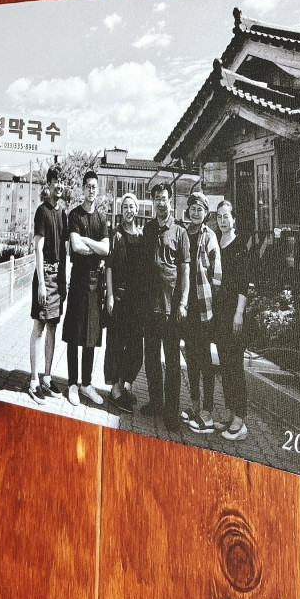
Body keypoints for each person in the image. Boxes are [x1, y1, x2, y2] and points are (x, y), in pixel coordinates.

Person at [141, 182, 190, 432]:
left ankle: (171, 412)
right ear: (153, 202)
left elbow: (185, 271)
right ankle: (156, 402)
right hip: (150, 307)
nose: (161, 202)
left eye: (164, 198)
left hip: (171, 309)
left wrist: (183, 302)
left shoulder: (180, 232)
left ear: (170, 201)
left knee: (172, 362)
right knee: (151, 357)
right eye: (157, 198)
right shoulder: (148, 229)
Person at [61, 170, 109, 406]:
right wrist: (94, 246)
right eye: (88, 186)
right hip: (78, 279)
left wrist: (88, 241)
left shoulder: (101, 218)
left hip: (96, 283)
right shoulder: (74, 215)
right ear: (82, 188)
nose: (91, 190)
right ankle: (72, 383)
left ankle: (86, 384)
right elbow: (75, 246)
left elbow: (106, 249)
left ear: (97, 190)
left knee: (91, 335)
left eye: (94, 187)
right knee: (74, 334)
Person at [213, 198, 254, 441]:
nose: (223, 221)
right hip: (218, 313)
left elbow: (243, 284)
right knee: (225, 365)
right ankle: (231, 414)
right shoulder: (216, 244)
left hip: (233, 314)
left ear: (234, 219)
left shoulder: (240, 246)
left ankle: (240, 419)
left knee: (235, 366)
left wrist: (239, 314)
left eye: (226, 216)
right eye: (219, 217)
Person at [180, 192, 222, 434]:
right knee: (191, 359)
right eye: (193, 209)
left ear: (206, 213)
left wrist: (211, 301)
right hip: (186, 306)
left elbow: (217, 275)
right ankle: (194, 405)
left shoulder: (210, 236)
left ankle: (207, 412)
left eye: (200, 209)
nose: (196, 213)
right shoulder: (184, 233)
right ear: (188, 211)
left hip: (203, 308)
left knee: (205, 360)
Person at [27, 167, 68, 403]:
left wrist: (64, 280)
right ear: (49, 185)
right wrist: (41, 283)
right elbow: (38, 248)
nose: (59, 185)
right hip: (45, 277)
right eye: (55, 181)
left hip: (58, 279)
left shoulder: (63, 214)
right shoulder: (42, 211)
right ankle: (33, 380)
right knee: (39, 327)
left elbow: (65, 250)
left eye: (61, 181)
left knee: (52, 327)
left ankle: (47, 377)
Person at [104, 192, 144, 413]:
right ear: (121, 211)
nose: (129, 210)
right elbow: (109, 267)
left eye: (132, 207)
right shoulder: (115, 235)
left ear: (137, 210)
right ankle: (115, 391)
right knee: (116, 345)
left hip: (136, 300)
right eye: (125, 207)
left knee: (135, 347)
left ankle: (125, 385)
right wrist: (110, 295)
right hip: (118, 297)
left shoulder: (141, 235)